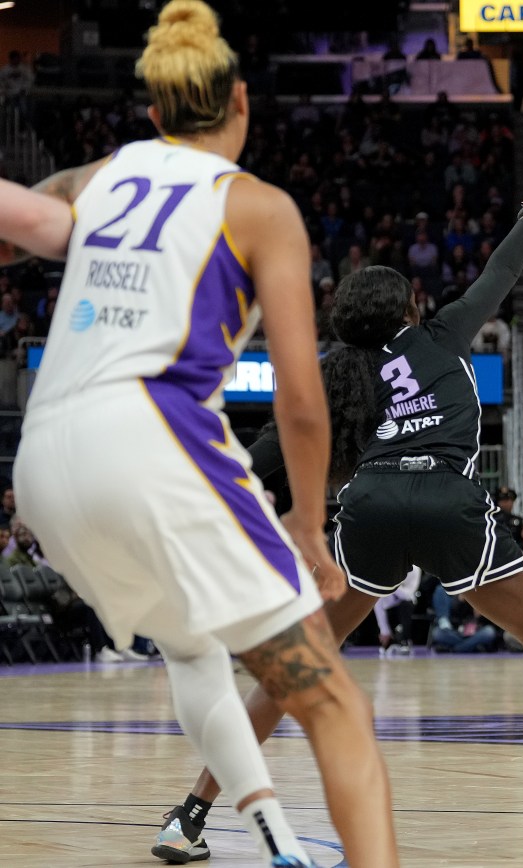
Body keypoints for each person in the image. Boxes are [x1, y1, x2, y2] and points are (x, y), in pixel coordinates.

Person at [150, 152, 523, 863]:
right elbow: (501, 275)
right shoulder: (445, 333)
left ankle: (188, 819)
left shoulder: (336, 374)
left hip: (369, 507)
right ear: (408, 308)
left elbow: (266, 452)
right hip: (448, 499)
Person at [0, 4, 398, 866]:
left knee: (190, 644)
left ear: (154, 116)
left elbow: (20, 227)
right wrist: (303, 520)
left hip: (43, 466)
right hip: (150, 446)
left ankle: (256, 829)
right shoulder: (258, 207)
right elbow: (300, 397)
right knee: (335, 708)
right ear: (242, 103)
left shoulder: (103, 174)